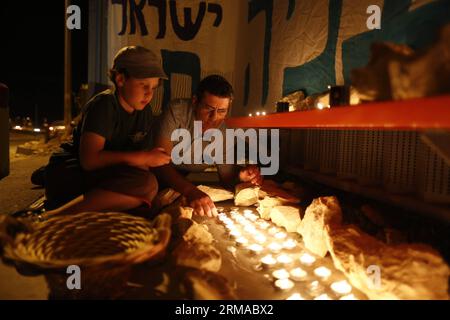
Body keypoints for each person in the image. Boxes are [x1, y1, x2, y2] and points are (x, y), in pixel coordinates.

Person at [44, 46, 170, 217]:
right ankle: (54, 217)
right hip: (72, 173)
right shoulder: (105, 104)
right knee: (146, 186)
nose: (149, 94)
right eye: (143, 85)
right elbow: (89, 160)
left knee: (150, 187)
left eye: (154, 88)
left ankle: (93, 211)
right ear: (120, 79)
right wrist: (142, 157)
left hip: (106, 177)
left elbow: (139, 165)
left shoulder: (144, 112)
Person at [154, 75, 263, 218]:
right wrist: (191, 191)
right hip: (153, 173)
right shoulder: (177, 111)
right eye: (208, 109)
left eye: (222, 111)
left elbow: (227, 177)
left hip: (182, 180)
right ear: (195, 102)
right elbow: (160, 163)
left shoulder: (224, 133)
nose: (214, 118)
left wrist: (241, 176)